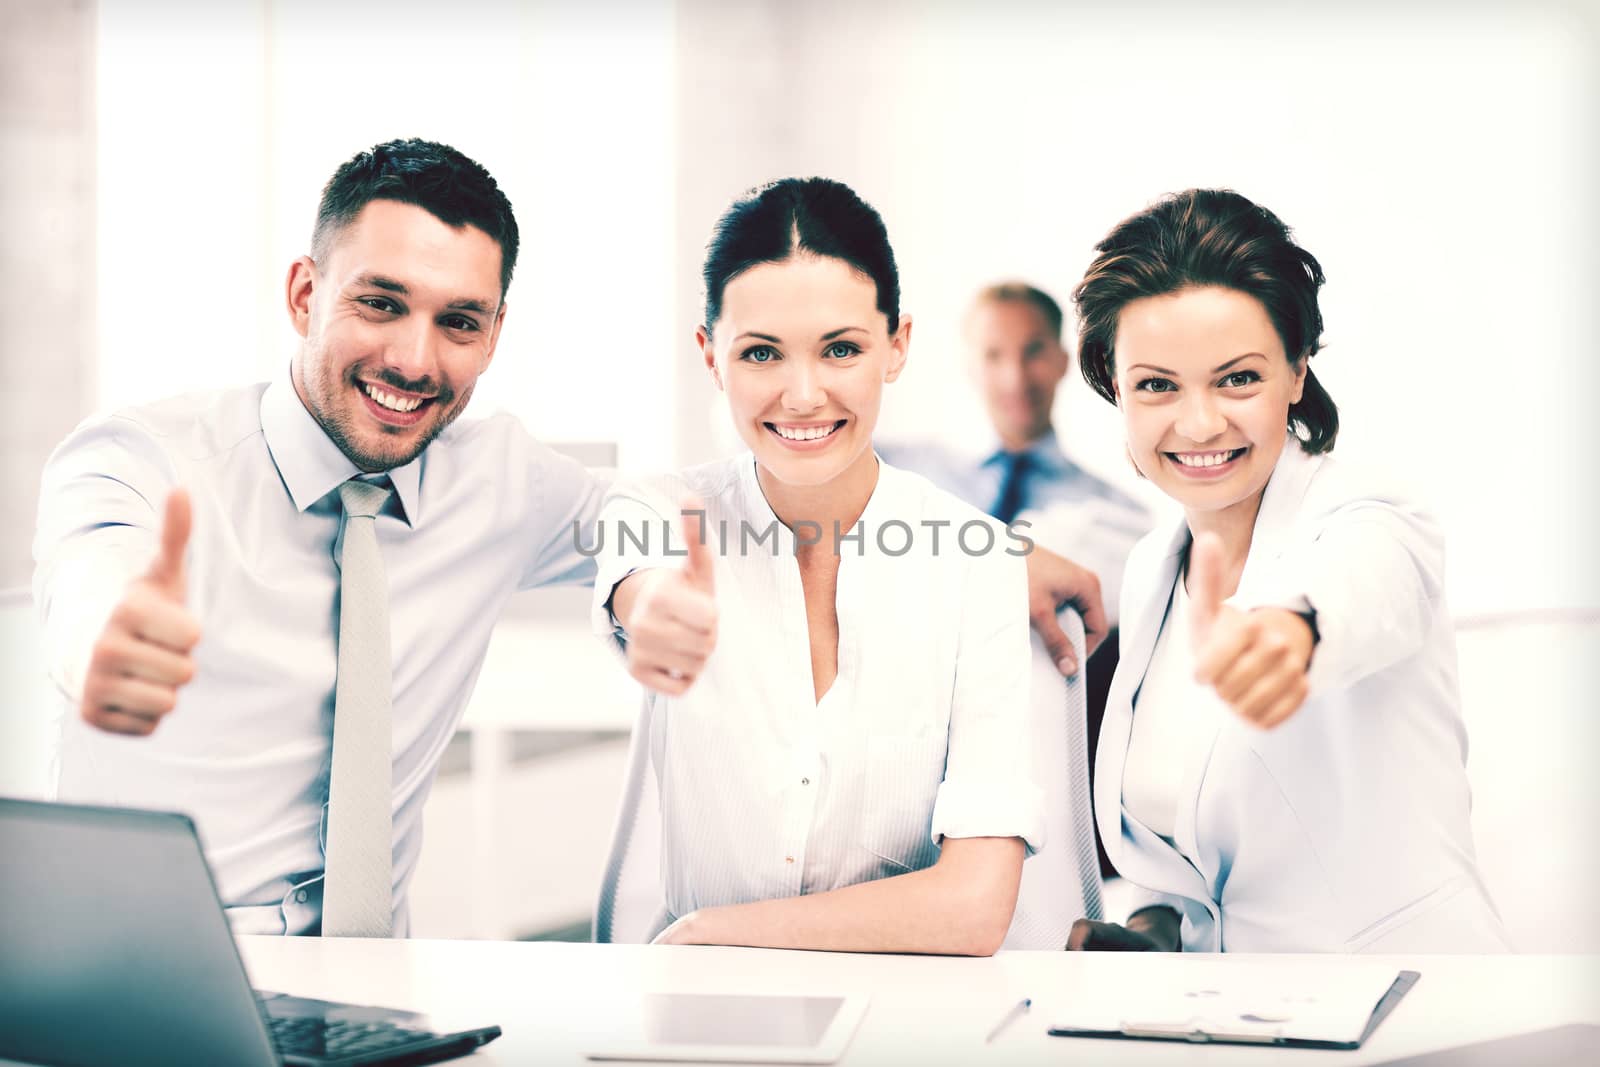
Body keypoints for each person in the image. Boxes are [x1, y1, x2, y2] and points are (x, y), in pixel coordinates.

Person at [31, 139, 604, 938]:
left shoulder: (501, 479)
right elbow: (88, 577)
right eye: (380, 303)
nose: (412, 359)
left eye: (458, 322)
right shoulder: (140, 458)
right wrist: (107, 640)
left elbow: (682, 522)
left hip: (375, 1002)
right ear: (305, 294)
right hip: (152, 965)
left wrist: (645, 571)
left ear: (495, 332)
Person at [592, 178, 1044, 955]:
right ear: (710, 355)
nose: (803, 395)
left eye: (841, 349)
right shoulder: (657, 510)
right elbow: (639, 573)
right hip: (699, 1023)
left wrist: (710, 934)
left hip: (904, 1022)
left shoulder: (979, 562)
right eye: (762, 352)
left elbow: (974, 905)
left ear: (896, 345)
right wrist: (652, 609)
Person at [1062, 189, 1510, 953]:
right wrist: (1151, 928)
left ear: (1298, 371)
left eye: (1237, 378)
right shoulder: (1148, 571)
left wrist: (1293, 631)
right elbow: (1195, 863)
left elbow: (1366, 589)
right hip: (1241, 1022)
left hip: (1415, 1013)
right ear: (1116, 387)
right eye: (1157, 384)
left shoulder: (1370, 509)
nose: (1199, 422)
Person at [879, 282, 1149, 619]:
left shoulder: (1117, 520)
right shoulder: (892, 471)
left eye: (1033, 351)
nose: (1015, 378)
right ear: (970, 366)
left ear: (1063, 361)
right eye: (994, 355)